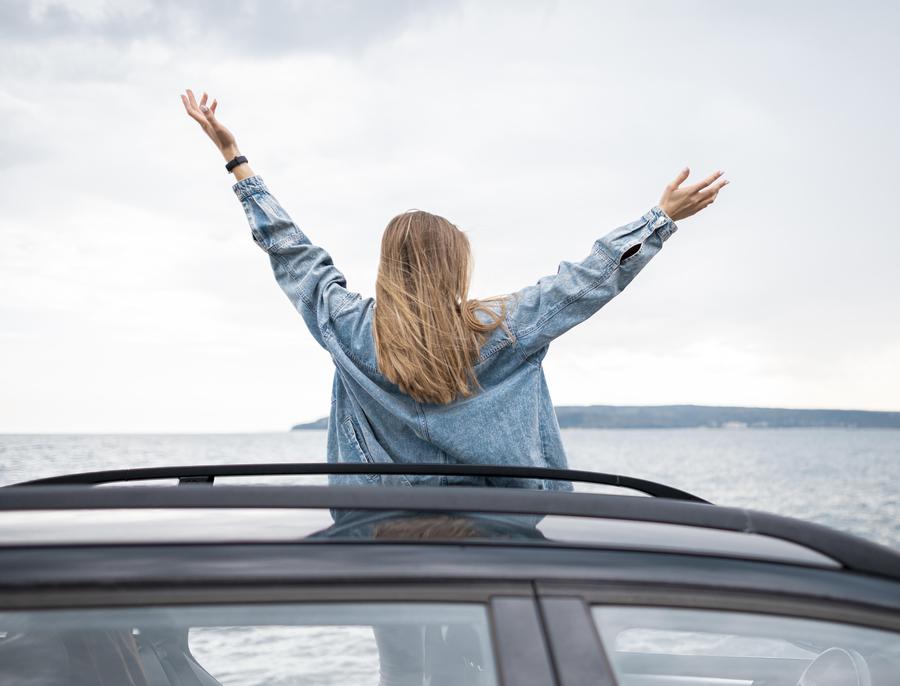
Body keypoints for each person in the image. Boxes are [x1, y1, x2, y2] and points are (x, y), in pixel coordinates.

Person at [180, 88, 729, 495]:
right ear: (455, 266)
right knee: (494, 652)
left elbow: (293, 253)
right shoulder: (503, 327)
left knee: (399, 657)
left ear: (387, 266)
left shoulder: (346, 327)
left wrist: (236, 160)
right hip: (499, 538)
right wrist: (659, 219)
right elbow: (585, 281)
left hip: (381, 539)